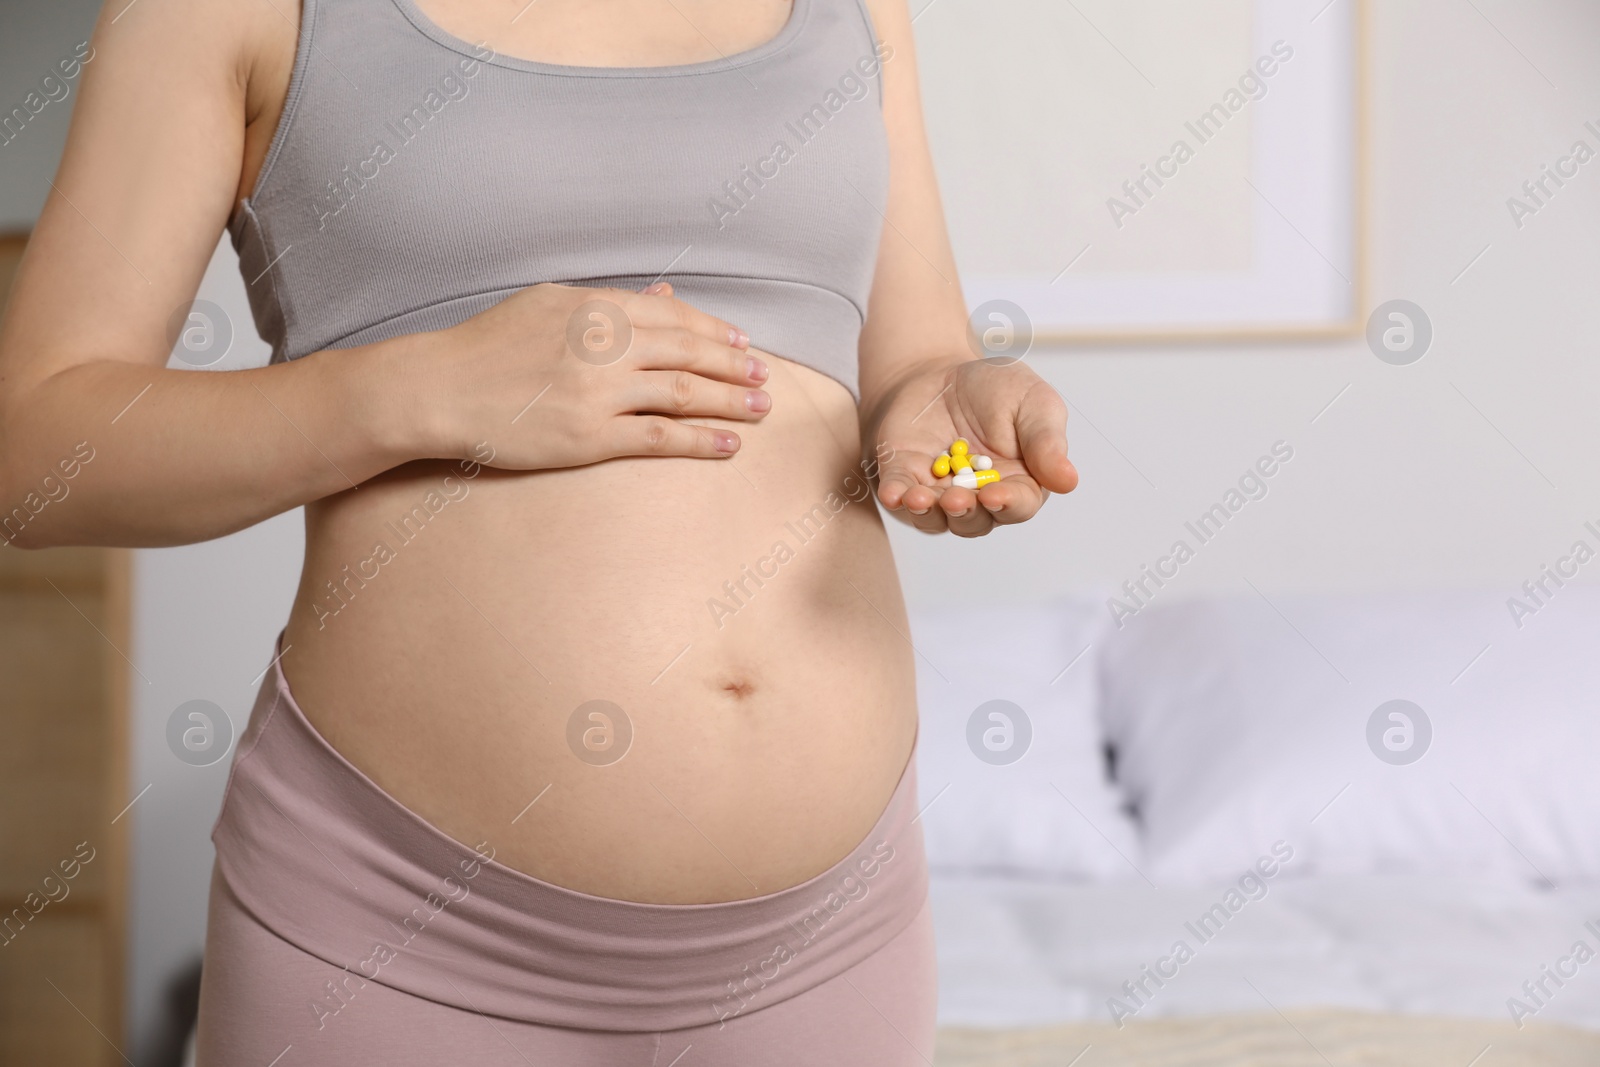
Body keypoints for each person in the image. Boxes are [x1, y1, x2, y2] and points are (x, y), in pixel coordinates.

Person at [0, 0, 1077, 1059]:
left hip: (829, 942)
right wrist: (417, 388)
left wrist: (945, 403)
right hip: (405, 931)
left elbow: (913, 359)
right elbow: (34, 451)